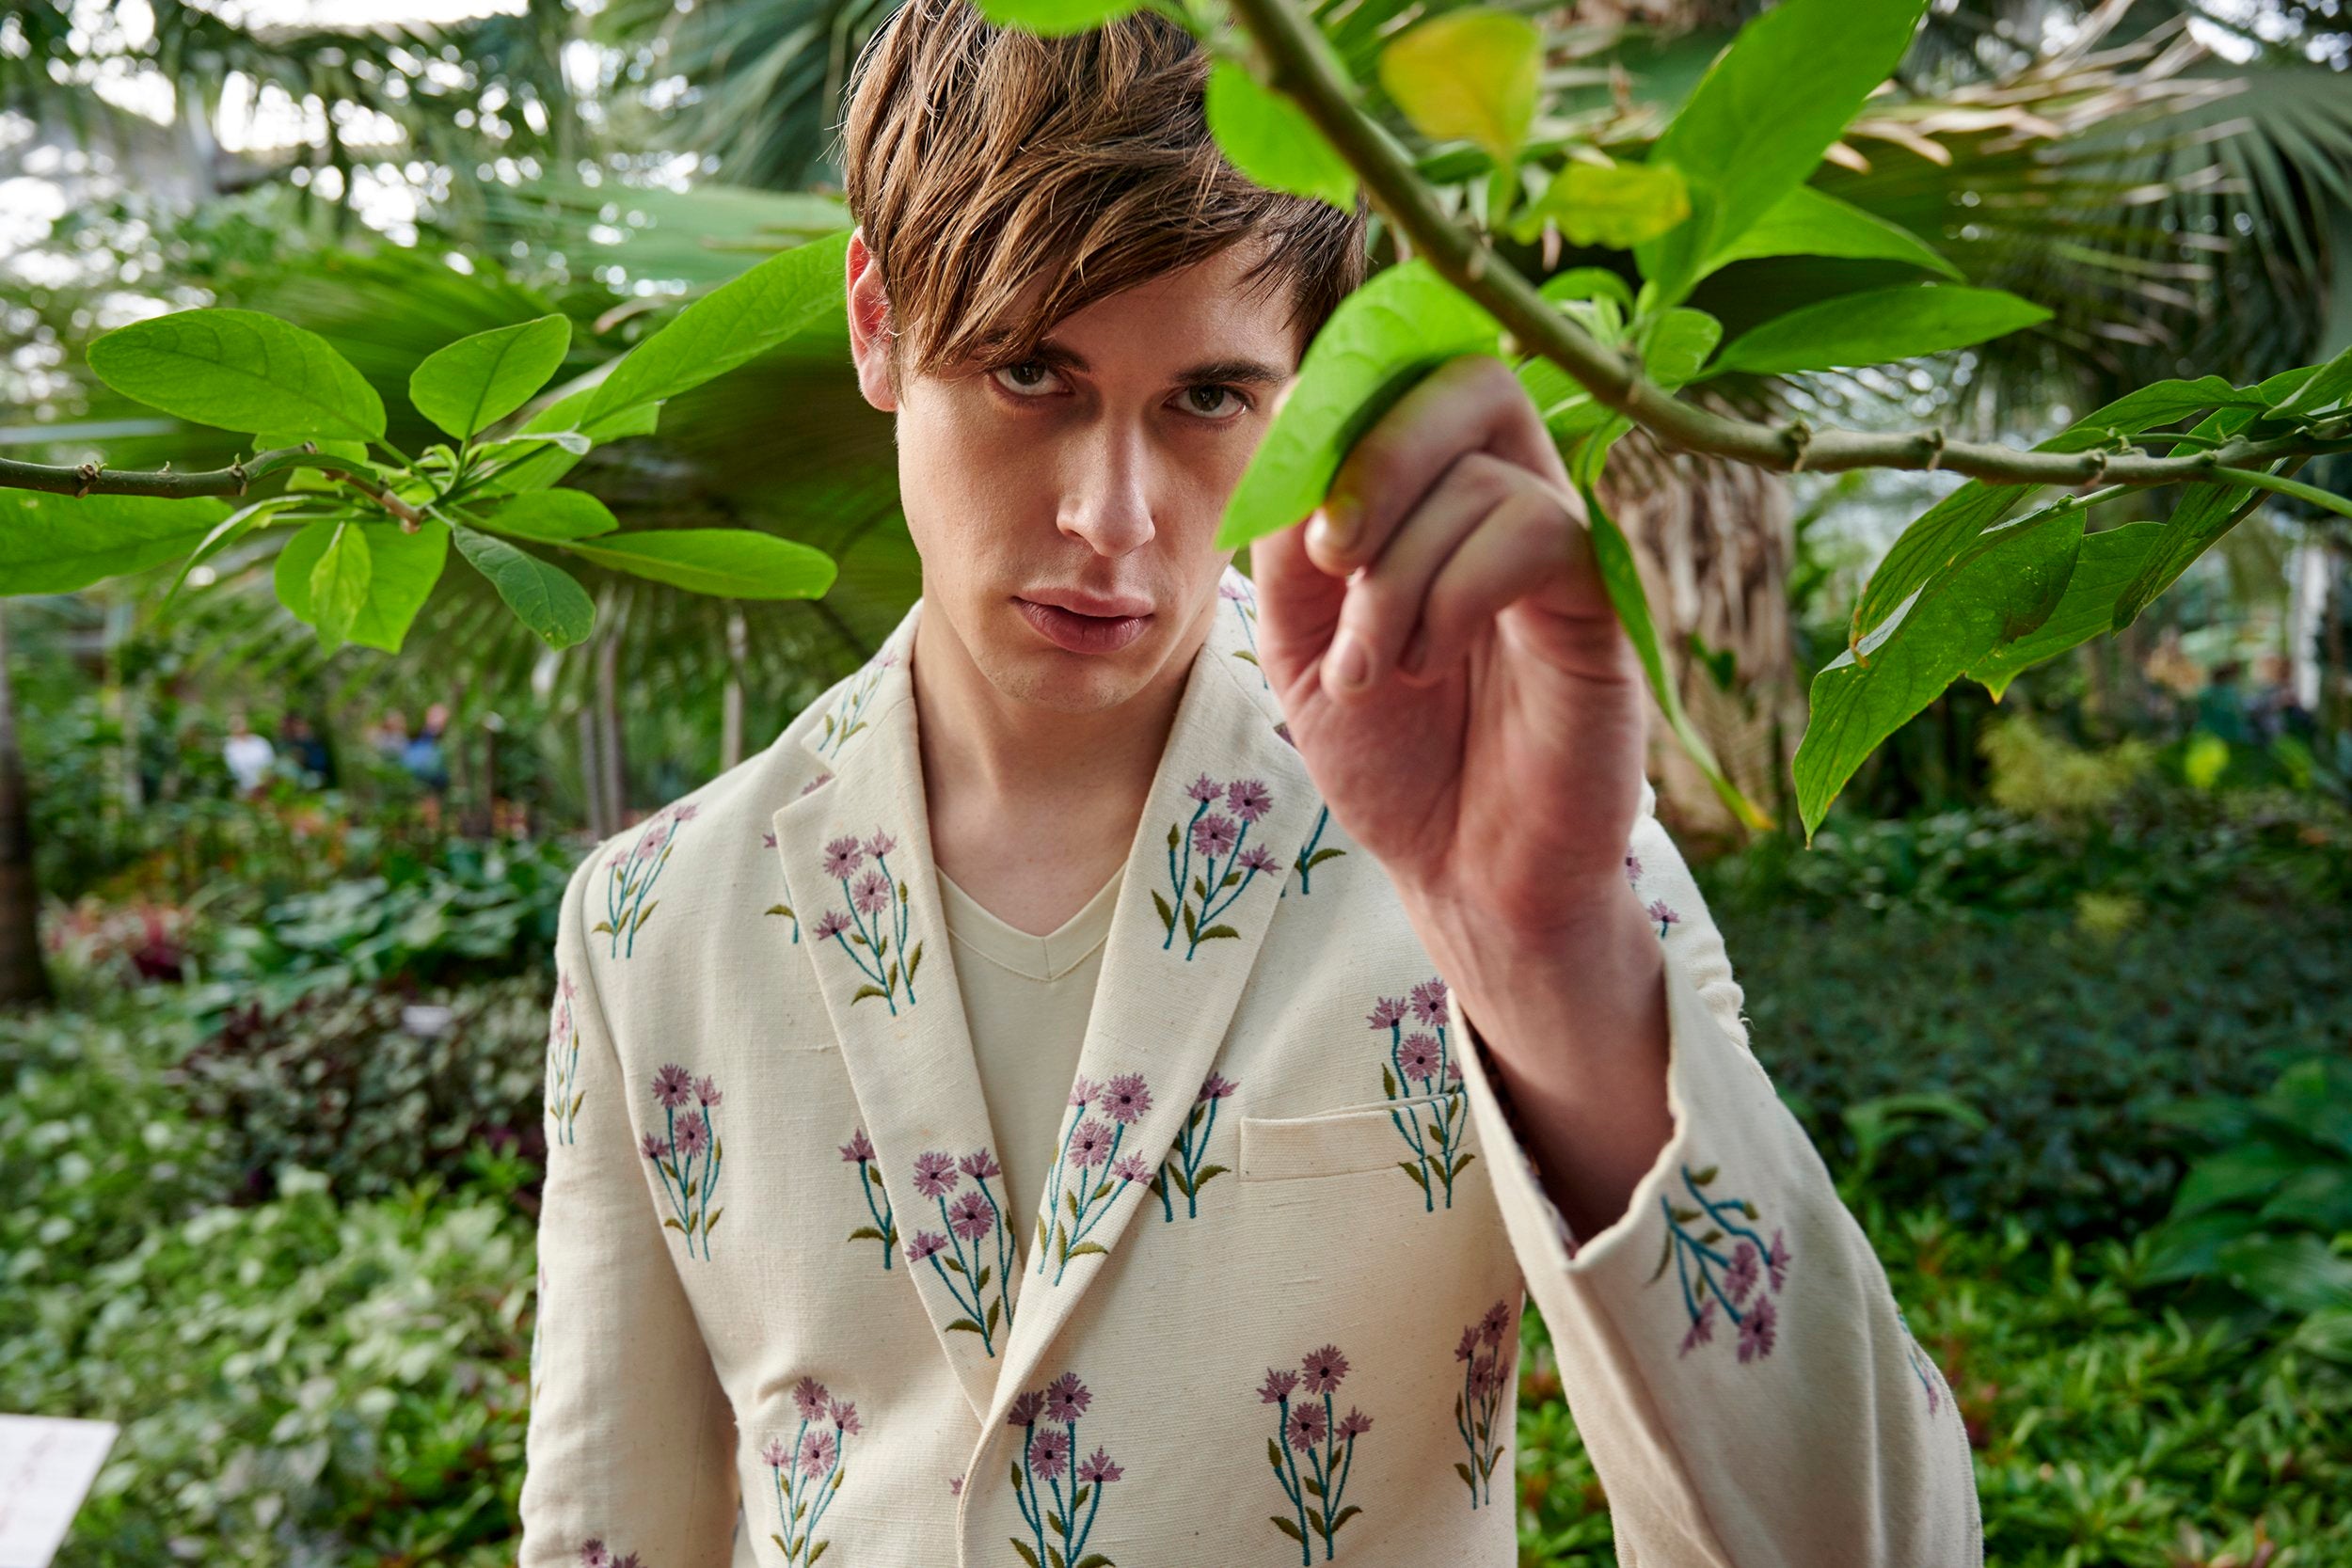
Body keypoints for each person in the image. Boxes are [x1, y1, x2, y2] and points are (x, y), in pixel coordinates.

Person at [519, 8, 1982, 1566]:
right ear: (880, 321)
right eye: (1032, 372)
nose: (1113, 514)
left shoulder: (1502, 835)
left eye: (1210, 397)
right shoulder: (650, 924)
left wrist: (1540, 957)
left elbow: (1877, 1542)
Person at [221, 710, 275, 796]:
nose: (237, 726)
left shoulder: (260, 742)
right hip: (239, 790)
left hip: (263, 788)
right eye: (234, 724)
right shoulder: (227, 746)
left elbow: (269, 764)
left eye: (240, 723)